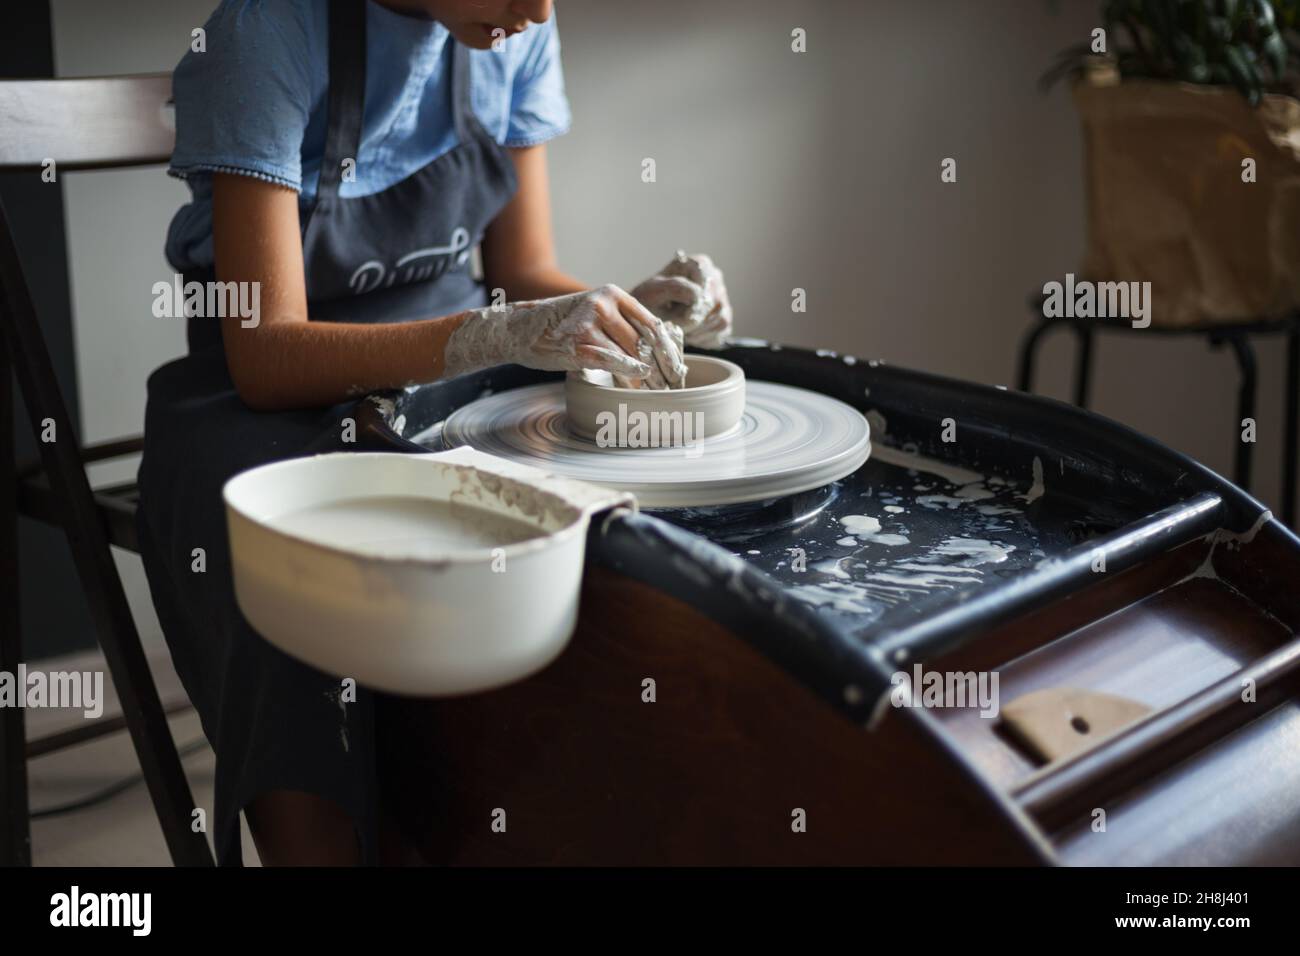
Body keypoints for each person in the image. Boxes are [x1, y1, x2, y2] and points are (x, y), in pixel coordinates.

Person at [137, 0, 733, 866]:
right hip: (262, 398)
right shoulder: (266, 31)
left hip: (454, 374)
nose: (537, 8)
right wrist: (494, 334)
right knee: (302, 567)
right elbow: (265, 355)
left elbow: (521, 274)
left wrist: (632, 315)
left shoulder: (513, 28)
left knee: (591, 534)